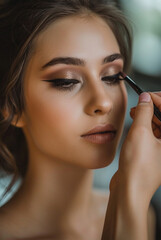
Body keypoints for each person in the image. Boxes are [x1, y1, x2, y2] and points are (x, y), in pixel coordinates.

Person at [0, 0, 160, 239]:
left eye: (111, 76)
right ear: (12, 106)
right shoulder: (133, 206)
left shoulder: (145, 213)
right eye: (67, 81)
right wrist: (130, 199)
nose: (103, 102)